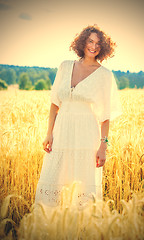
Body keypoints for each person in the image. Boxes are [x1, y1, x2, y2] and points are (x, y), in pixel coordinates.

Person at [34, 25, 122, 208]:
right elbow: (54, 103)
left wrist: (103, 146)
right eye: (90, 41)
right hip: (61, 133)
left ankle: (81, 231)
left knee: (82, 188)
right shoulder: (65, 66)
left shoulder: (104, 75)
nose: (94, 46)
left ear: (103, 48)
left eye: (98, 43)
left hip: (86, 136)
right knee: (54, 181)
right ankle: (50, 230)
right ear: (82, 42)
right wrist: (49, 133)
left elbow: (106, 116)